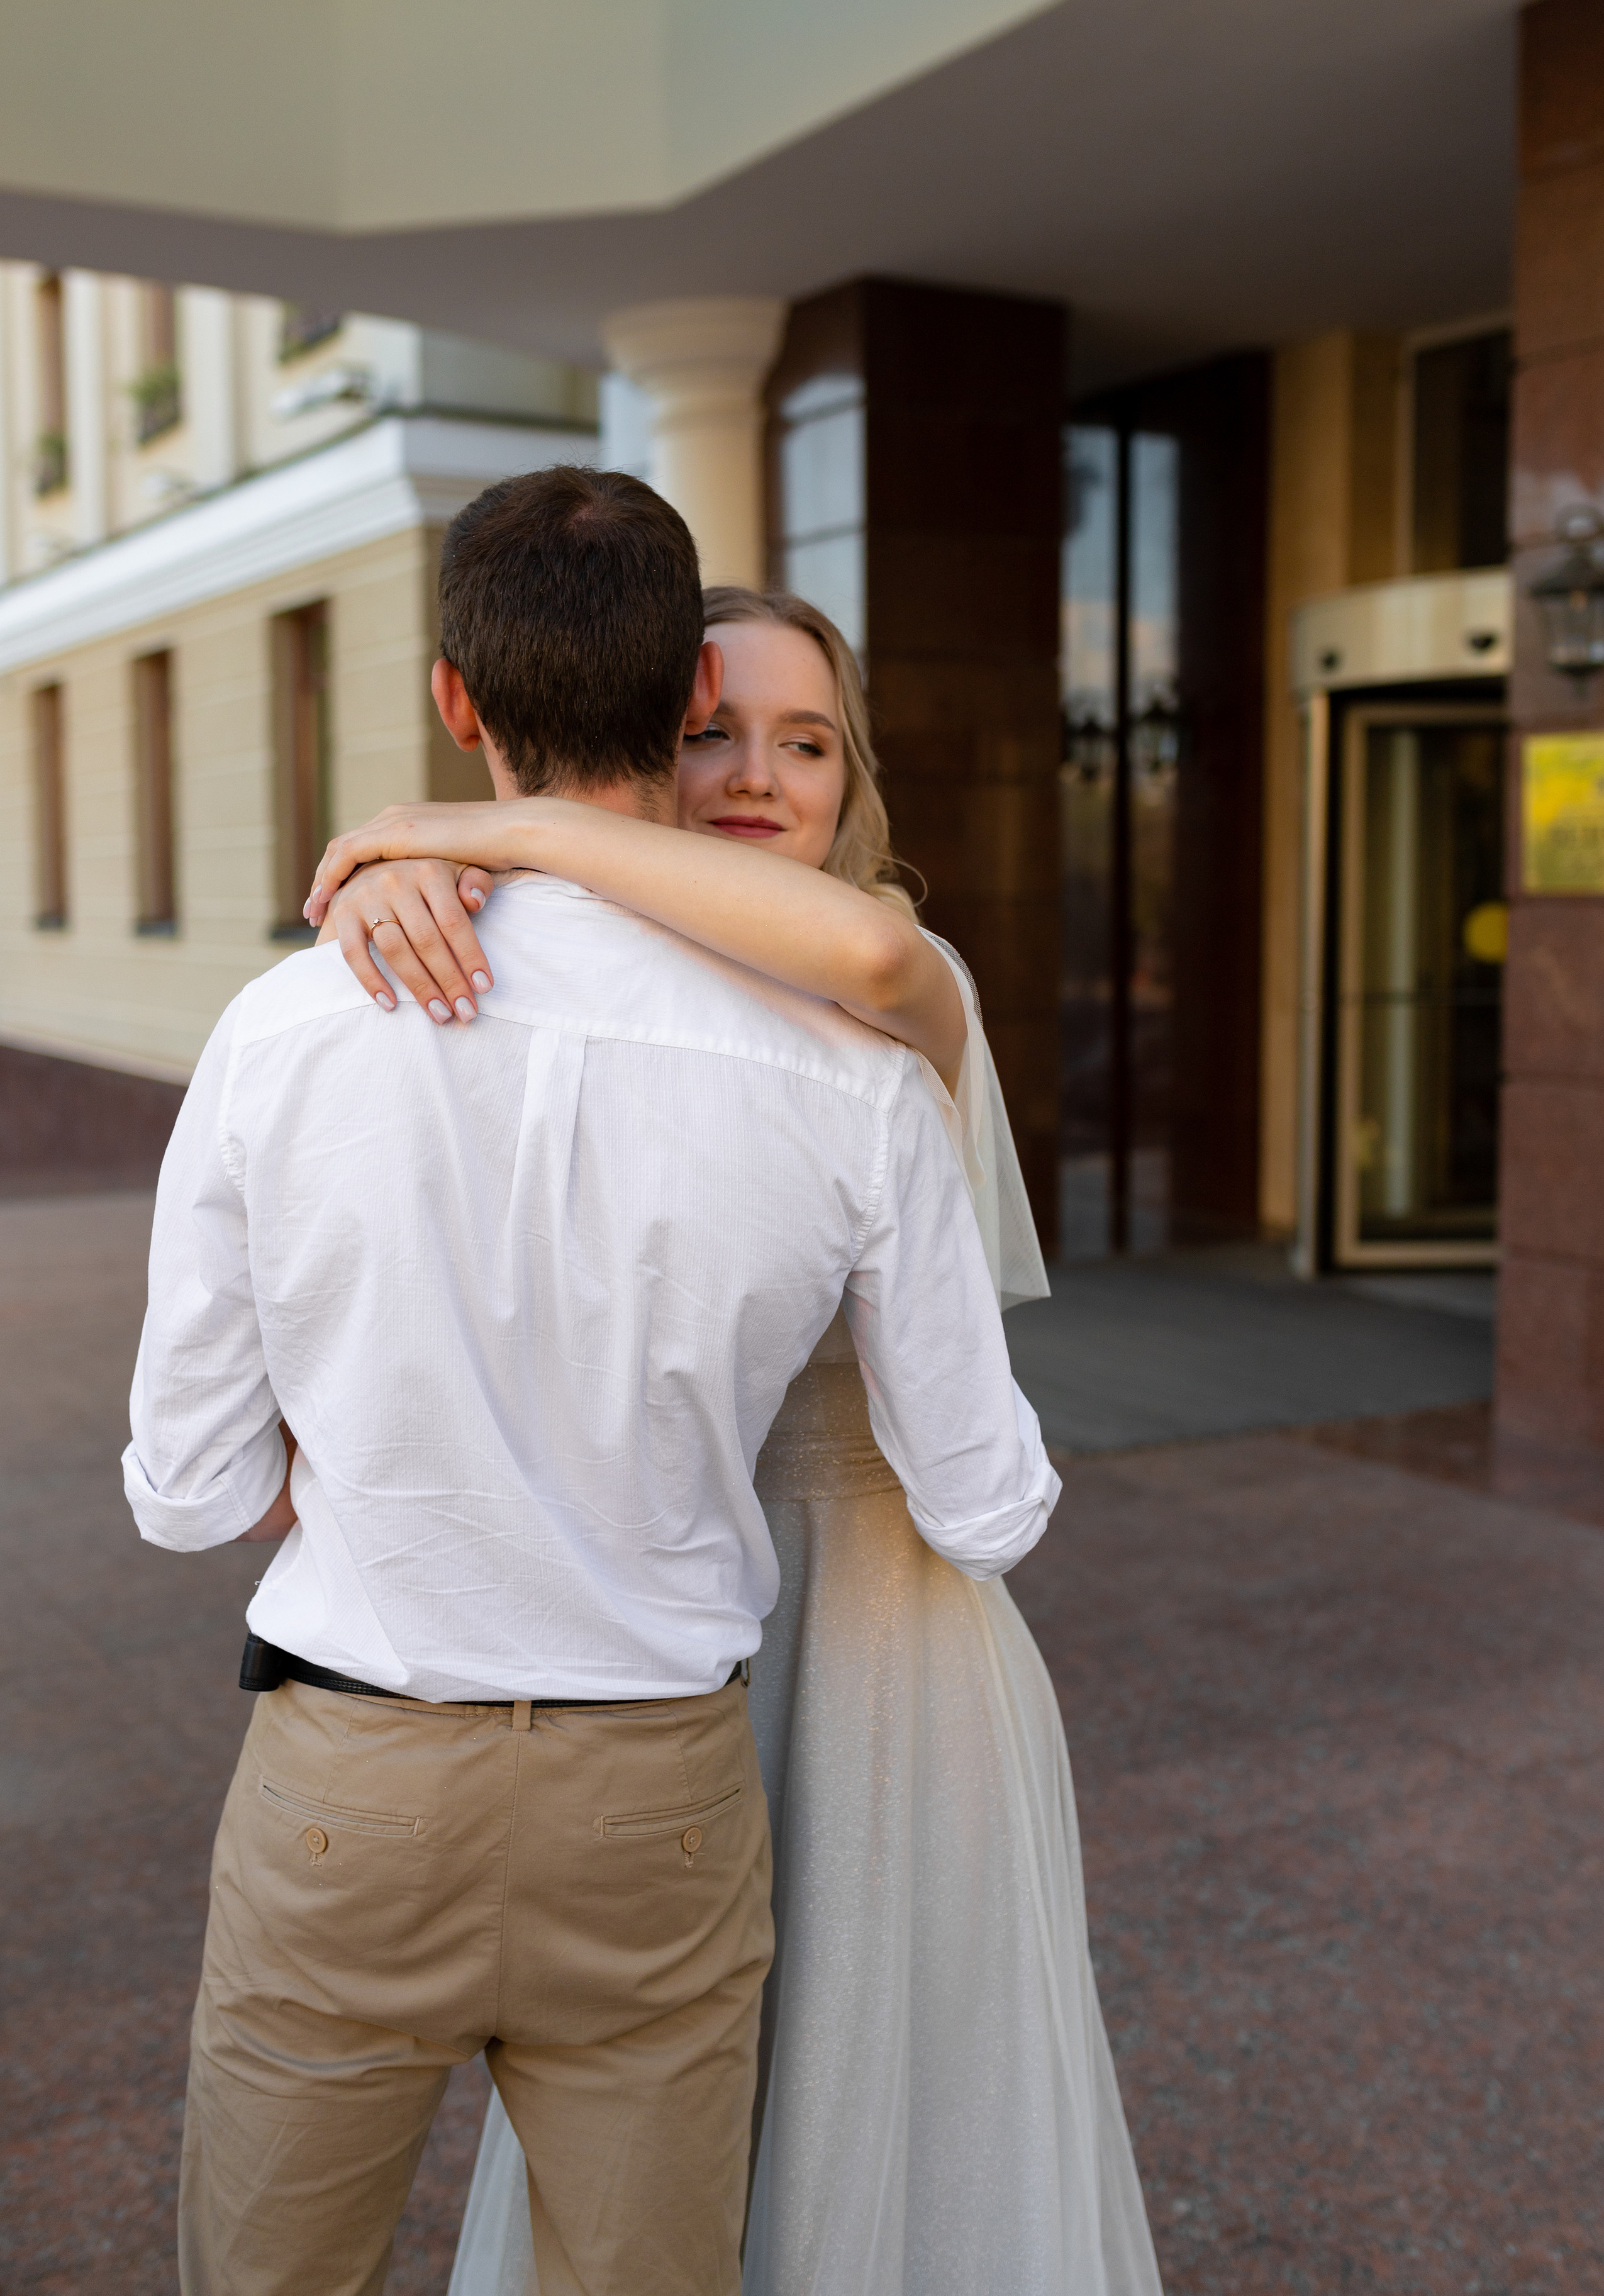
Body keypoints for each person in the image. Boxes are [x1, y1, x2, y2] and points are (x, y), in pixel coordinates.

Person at [124, 471, 1060, 2296]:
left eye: (809, 742)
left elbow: (184, 1493)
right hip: (668, 1783)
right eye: (732, 731)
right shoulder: (850, 1074)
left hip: (353, 1773)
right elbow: (992, 1504)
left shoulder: (288, 1020)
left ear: (456, 700)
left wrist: (359, 1459)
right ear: (679, 701)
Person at [304, 582, 1165, 2295]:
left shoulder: (901, 979)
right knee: (636, 2135)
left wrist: (466, 828)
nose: (764, 776)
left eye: (810, 742)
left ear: (855, 782)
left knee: (888, 2090)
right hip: (635, 1637)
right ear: (641, 743)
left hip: (883, 1629)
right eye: (714, 733)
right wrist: (420, 876)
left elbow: (871, 963)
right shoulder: (519, 961)